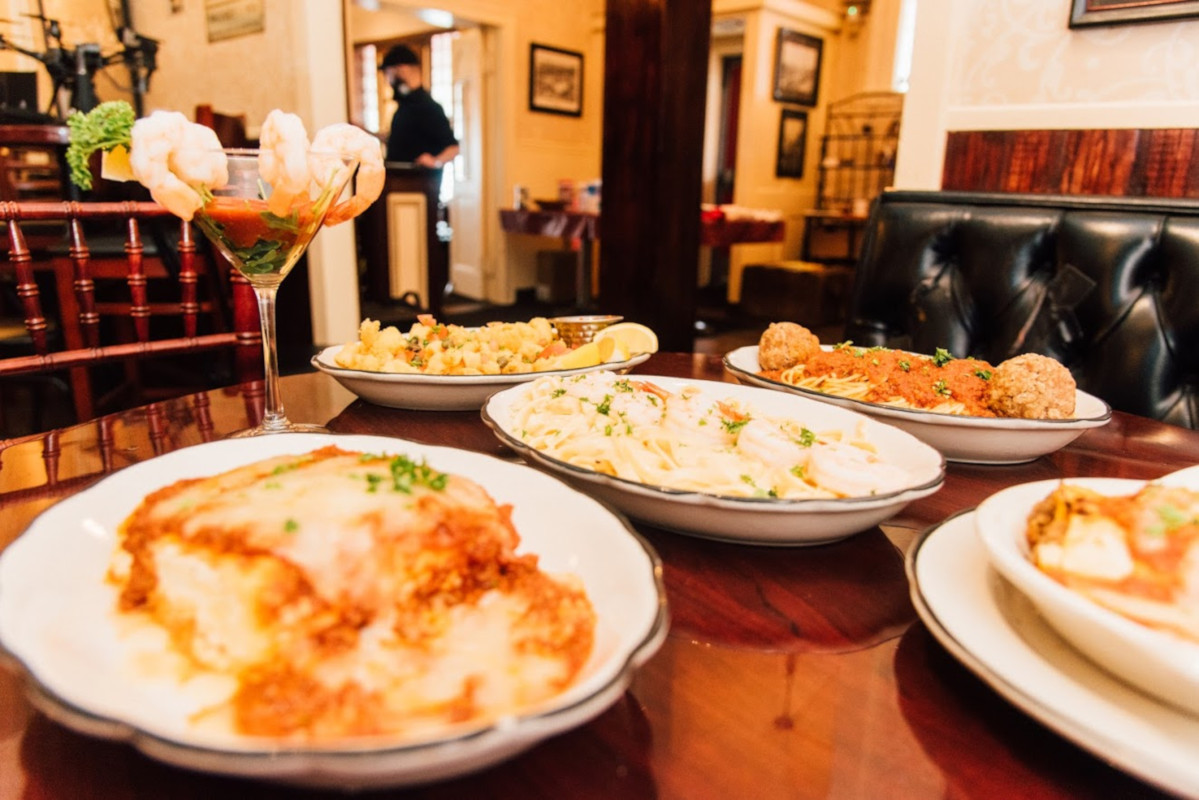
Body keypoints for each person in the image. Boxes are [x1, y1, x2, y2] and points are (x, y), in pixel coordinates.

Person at [380, 44, 460, 169]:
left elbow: (453, 148)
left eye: (388, 73)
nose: (388, 81)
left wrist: (436, 161)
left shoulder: (428, 107)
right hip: (396, 182)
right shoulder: (404, 107)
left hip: (418, 184)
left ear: (402, 69)